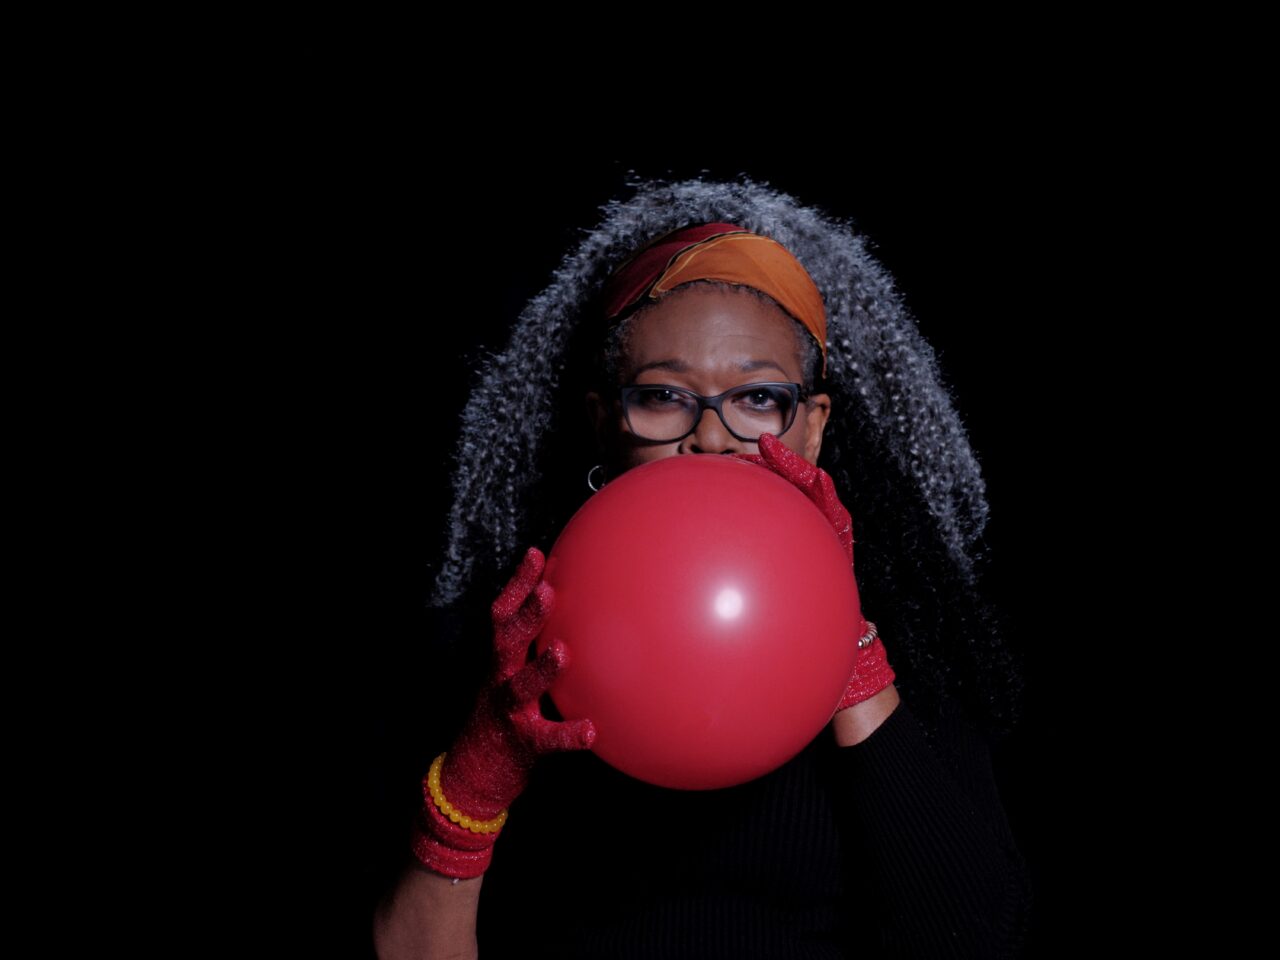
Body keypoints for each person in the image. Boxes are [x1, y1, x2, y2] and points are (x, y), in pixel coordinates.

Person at [371, 176, 1034, 958]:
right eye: (662, 396)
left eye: (757, 399)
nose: (711, 439)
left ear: (811, 429)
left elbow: (980, 942)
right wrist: (474, 783)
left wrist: (842, 647)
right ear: (604, 421)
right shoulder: (512, 653)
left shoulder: (913, 655)